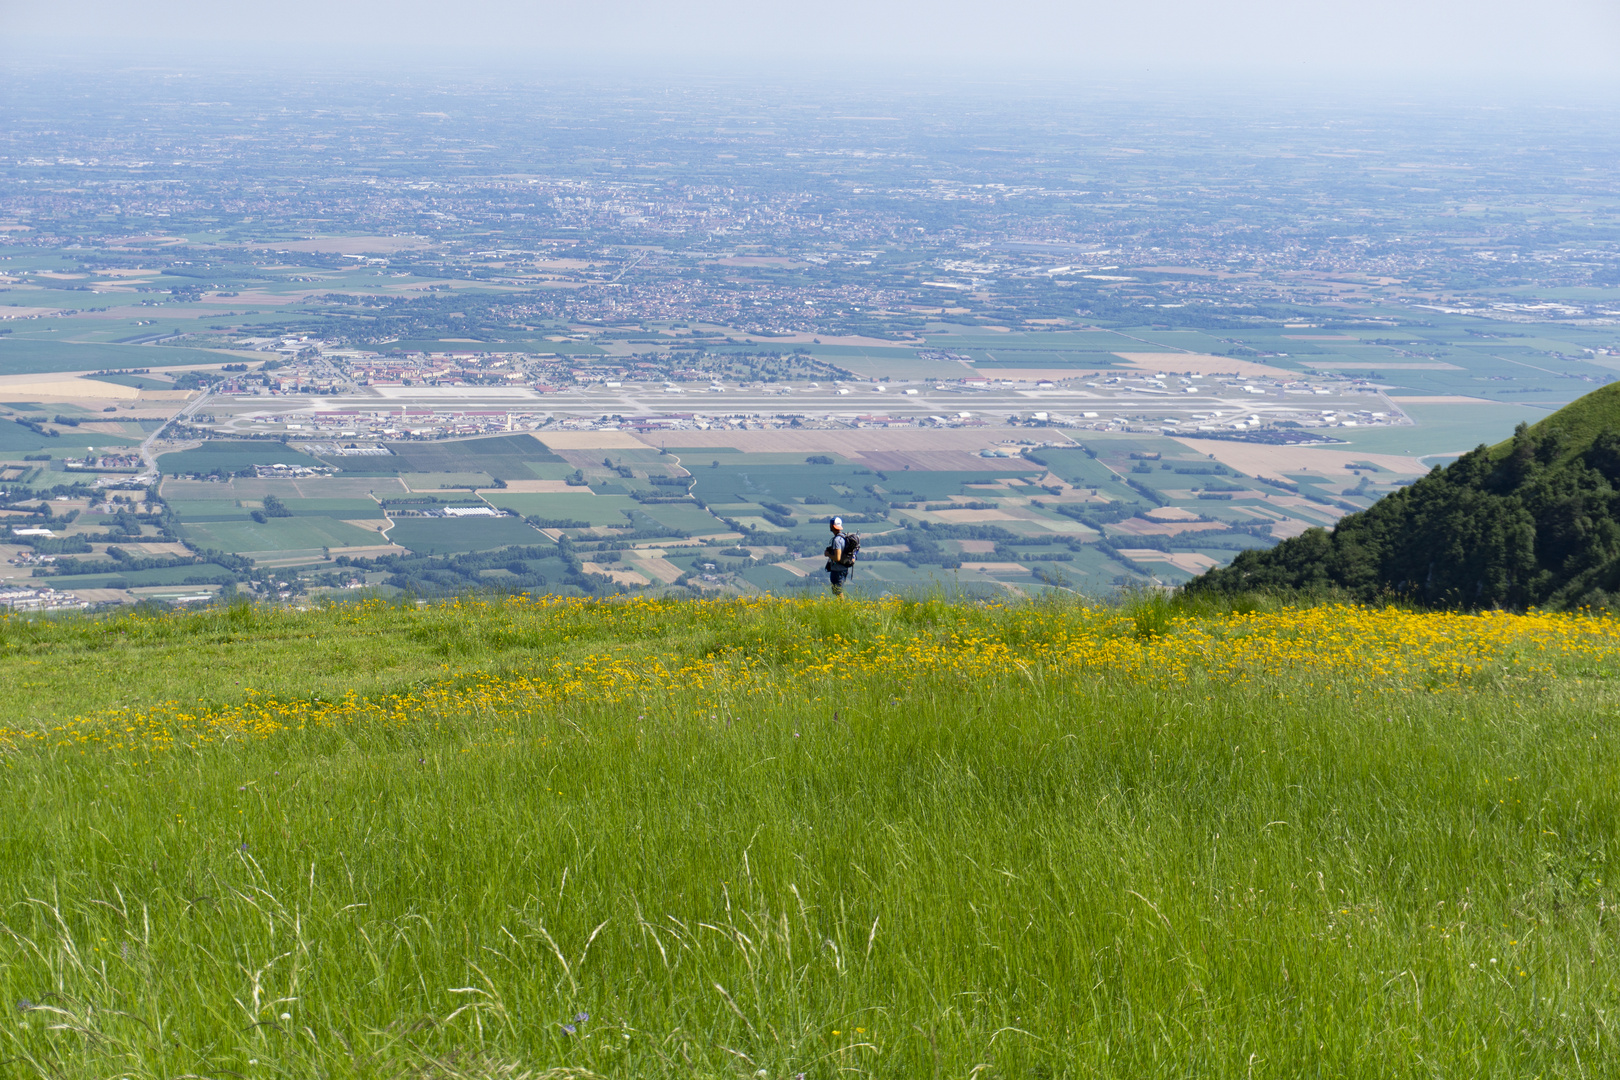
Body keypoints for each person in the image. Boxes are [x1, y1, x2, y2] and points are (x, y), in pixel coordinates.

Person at [824, 515, 850, 597]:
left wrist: (828, 554)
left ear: (832, 526)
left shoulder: (837, 540)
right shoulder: (843, 537)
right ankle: (842, 607)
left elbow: (837, 558)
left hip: (838, 570)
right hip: (843, 568)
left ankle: (843, 607)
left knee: (838, 592)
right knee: (838, 591)